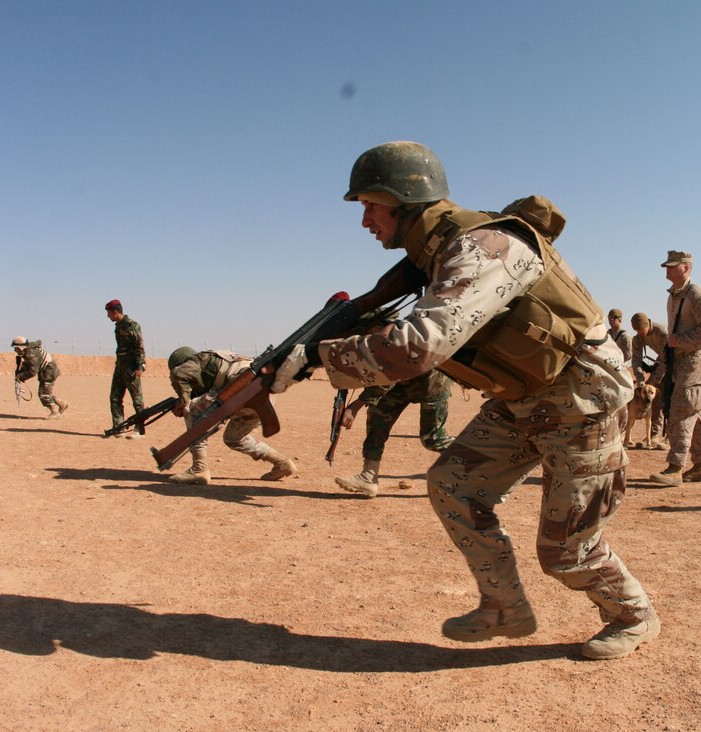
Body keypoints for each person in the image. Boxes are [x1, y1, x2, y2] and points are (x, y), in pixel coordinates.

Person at [273, 141, 658, 660]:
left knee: (567, 553)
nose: (364, 220)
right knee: (454, 485)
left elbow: (422, 346)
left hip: (582, 403)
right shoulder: (433, 255)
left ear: (403, 198)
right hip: (525, 399)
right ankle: (504, 606)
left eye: (370, 205)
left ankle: (634, 614)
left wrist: (321, 358)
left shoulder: (486, 248)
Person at [166, 347, 298, 485]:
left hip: (241, 391)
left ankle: (199, 469)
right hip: (264, 399)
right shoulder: (219, 361)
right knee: (233, 438)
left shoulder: (197, 360)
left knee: (191, 409)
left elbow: (178, 374)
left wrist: (182, 401)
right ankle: (282, 463)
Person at [651, 251, 701, 485]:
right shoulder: (674, 296)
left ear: (686, 268)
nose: (667, 270)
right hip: (678, 361)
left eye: (672, 266)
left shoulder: (696, 295)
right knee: (693, 411)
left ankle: (675, 467)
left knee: (681, 409)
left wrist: (680, 341)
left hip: (693, 360)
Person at [335, 370, 455, 498]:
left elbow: (388, 374)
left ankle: (472, 456)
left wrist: (356, 405)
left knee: (433, 438)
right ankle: (368, 476)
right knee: (377, 420)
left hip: (431, 381)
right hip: (399, 382)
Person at [105, 299, 145, 437]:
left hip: (131, 367)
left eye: (109, 313)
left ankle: (139, 430)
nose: (107, 316)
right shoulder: (118, 325)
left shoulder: (132, 325)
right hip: (120, 366)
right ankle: (119, 427)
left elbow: (139, 347)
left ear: (115, 312)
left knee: (137, 400)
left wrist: (140, 367)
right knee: (115, 397)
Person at [630, 312, 669, 449]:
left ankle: (670, 437)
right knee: (655, 401)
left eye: (641, 330)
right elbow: (636, 361)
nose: (639, 333)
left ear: (648, 325)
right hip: (662, 363)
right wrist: (640, 380)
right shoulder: (638, 339)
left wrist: (651, 382)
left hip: (677, 364)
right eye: (636, 331)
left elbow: (667, 360)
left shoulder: (662, 332)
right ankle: (653, 435)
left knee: (671, 402)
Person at [12, 337, 68, 418]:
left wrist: (20, 377)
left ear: (21, 347)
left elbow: (32, 371)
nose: (15, 350)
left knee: (43, 394)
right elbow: (29, 365)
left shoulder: (31, 353)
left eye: (16, 348)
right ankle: (62, 403)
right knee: (46, 392)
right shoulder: (28, 351)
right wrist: (20, 373)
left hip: (49, 372)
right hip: (47, 371)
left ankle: (55, 413)